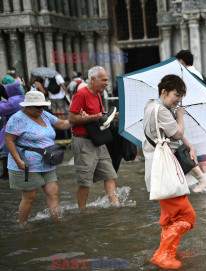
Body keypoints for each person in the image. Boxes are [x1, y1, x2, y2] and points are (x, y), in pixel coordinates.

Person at [143, 74, 197, 269]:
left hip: (157, 168)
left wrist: (190, 147)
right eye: (177, 94)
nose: (179, 100)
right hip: (165, 171)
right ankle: (163, 256)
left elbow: (170, 136)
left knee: (169, 217)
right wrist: (180, 116)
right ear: (164, 91)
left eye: (182, 95)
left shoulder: (151, 106)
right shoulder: (163, 112)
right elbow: (178, 133)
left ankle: (168, 251)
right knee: (186, 217)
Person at [4, 91, 74, 225]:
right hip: (26, 165)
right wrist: (18, 160)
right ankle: (22, 224)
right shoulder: (17, 119)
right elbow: (9, 141)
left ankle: (56, 219)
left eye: (43, 106)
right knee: (30, 197)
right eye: (37, 106)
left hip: (47, 162)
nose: (41, 109)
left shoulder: (45, 115)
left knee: (53, 192)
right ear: (28, 106)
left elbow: (63, 124)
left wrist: (78, 119)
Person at [68, 66, 120, 210]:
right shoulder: (81, 94)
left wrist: (109, 115)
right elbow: (72, 118)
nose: (107, 83)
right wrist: (94, 117)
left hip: (98, 140)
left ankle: (115, 206)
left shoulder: (98, 94)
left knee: (110, 174)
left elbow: (98, 115)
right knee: (85, 180)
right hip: (83, 141)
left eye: (107, 80)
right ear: (92, 79)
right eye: (104, 80)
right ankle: (82, 211)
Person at [173, 50, 206, 186]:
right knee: (202, 145)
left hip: (187, 115)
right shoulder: (198, 74)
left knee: (186, 146)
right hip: (201, 113)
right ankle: (205, 177)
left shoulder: (186, 75)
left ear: (181, 61)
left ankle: (202, 179)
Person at [0, 82, 25, 180]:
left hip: (13, 128)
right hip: (24, 127)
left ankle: (6, 174)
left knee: (7, 150)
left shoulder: (13, 101)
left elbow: (2, 109)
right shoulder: (22, 97)